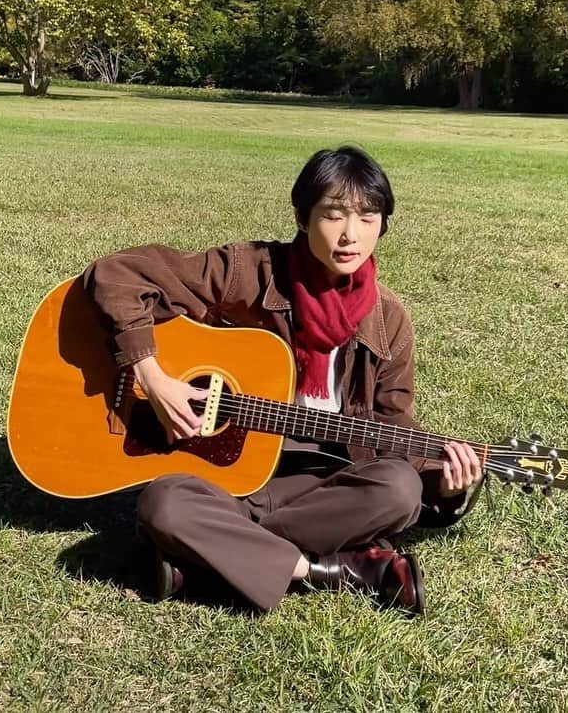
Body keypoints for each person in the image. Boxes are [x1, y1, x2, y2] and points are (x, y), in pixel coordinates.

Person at [82, 145, 483, 616]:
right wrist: (151, 374)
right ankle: (339, 569)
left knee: (398, 488)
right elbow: (116, 274)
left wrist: (446, 487)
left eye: (368, 218)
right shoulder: (248, 273)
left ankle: (208, 558)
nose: (350, 235)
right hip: (222, 478)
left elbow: (393, 432)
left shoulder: (388, 320)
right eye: (333, 215)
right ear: (302, 216)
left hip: (319, 483)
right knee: (164, 504)